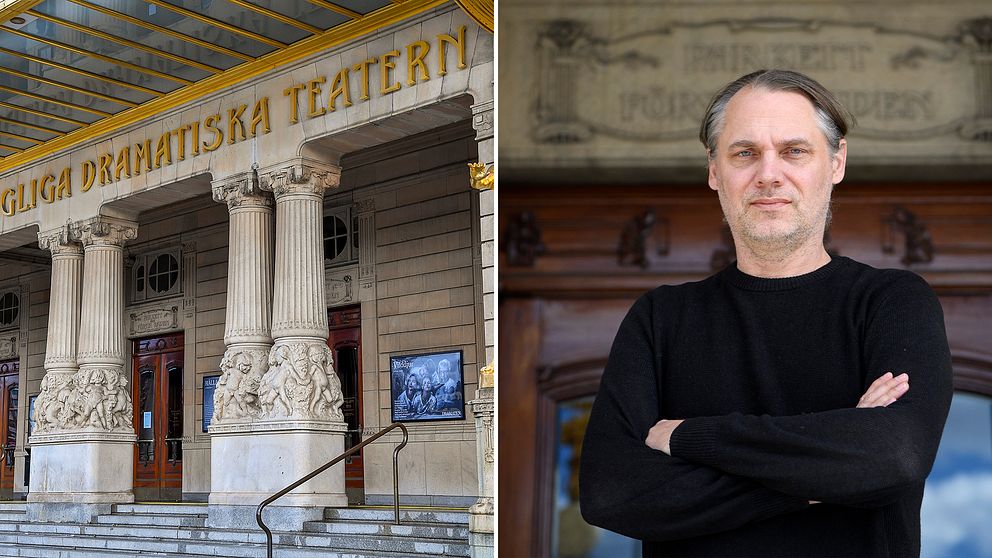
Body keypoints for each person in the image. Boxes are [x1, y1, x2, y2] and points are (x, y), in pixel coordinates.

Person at [579, 69, 953, 558]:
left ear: (836, 161)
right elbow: (611, 492)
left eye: (794, 150)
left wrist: (692, 436)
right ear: (714, 170)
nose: (769, 173)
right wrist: (830, 469)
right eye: (744, 153)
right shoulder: (661, 318)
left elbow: (894, 456)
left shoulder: (893, 301)